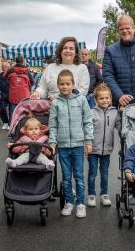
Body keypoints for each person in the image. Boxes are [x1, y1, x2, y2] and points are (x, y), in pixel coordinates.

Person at [48, 69, 93, 218]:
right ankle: (69, 202)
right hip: (63, 147)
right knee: (66, 177)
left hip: (79, 145)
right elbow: (53, 125)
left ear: (73, 84)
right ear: (58, 85)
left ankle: (80, 204)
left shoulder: (81, 100)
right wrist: (53, 143)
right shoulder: (55, 103)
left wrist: (88, 141)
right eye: (61, 84)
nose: (64, 86)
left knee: (79, 176)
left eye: (67, 84)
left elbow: (88, 122)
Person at [87, 84, 120, 207]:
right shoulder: (91, 113)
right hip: (93, 149)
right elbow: (87, 130)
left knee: (105, 173)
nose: (105, 100)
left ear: (111, 98)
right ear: (96, 100)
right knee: (92, 173)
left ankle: (104, 194)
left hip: (107, 149)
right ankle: (91, 195)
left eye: (107, 98)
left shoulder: (114, 112)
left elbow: (119, 126)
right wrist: (87, 143)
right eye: (101, 98)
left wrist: (123, 118)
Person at [30, 37, 90, 101]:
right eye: (65, 48)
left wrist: (61, 97)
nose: (68, 50)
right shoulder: (50, 67)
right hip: (51, 107)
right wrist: (37, 93)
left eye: (71, 48)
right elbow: (43, 87)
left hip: (74, 107)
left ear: (76, 53)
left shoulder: (82, 68)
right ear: (60, 51)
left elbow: (83, 91)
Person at [6, 55, 34, 122]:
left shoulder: (11, 70)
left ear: (16, 61)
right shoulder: (26, 71)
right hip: (25, 96)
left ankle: (13, 129)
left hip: (13, 95)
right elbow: (32, 81)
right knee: (25, 113)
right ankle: (24, 127)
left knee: (13, 114)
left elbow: (5, 80)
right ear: (23, 61)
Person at [0, 61, 11, 130]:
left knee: (11, 111)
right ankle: (5, 122)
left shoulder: (11, 75)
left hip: (10, 94)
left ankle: (10, 124)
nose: (2, 68)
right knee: (2, 109)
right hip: (2, 95)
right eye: (2, 67)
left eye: (3, 67)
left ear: (8, 67)